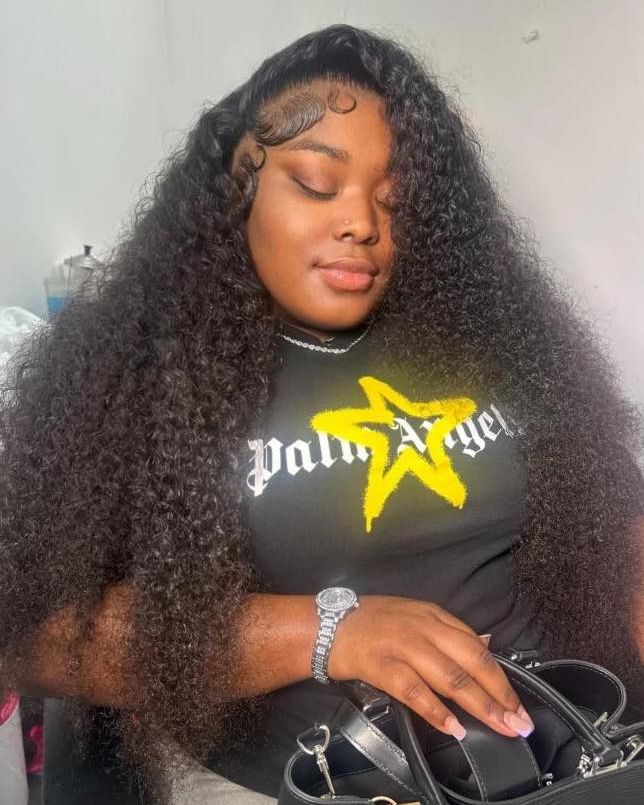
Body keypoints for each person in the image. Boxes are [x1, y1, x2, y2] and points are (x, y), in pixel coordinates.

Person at [1, 22, 642, 805]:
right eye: (315, 182)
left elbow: (622, 532)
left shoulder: (495, 337)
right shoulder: (143, 368)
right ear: (238, 187)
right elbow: (40, 632)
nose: (361, 223)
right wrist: (331, 631)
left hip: (553, 751)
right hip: (315, 776)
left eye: (394, 200)